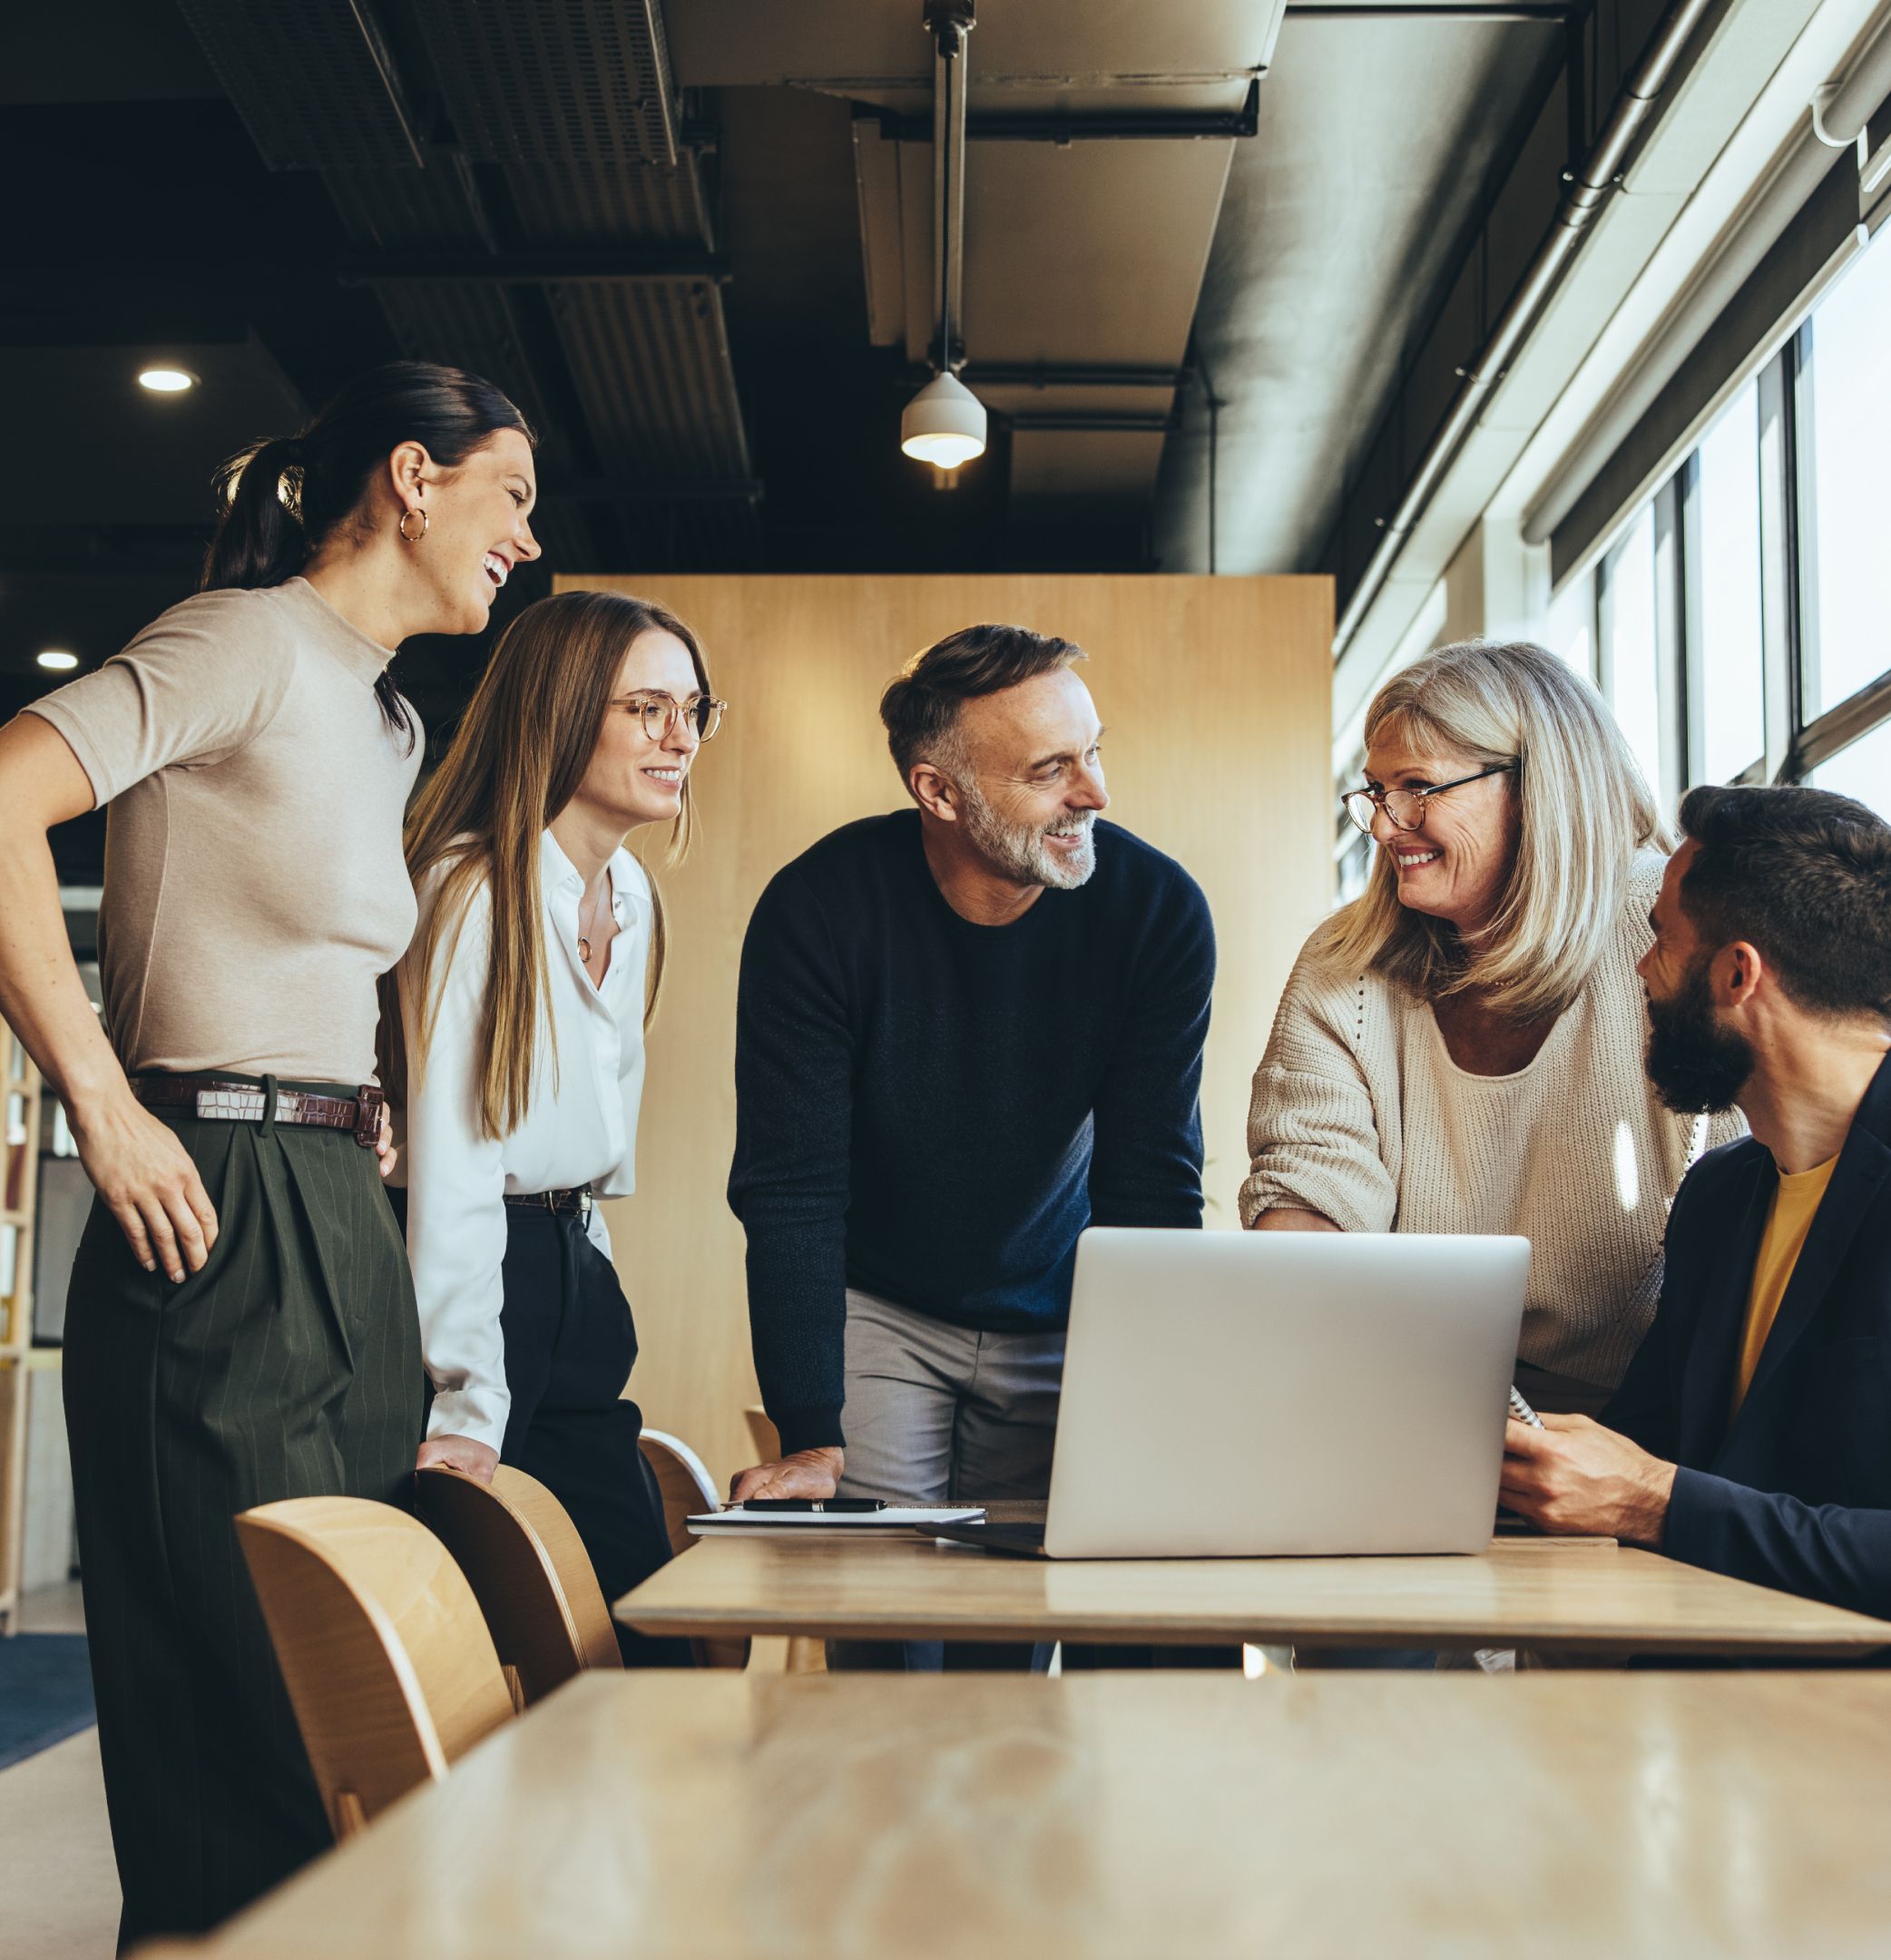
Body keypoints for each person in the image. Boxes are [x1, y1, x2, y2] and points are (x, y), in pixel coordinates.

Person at [0, 361, 540, 1942]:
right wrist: (97, 1100)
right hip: (212, 1195)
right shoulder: (241, 640)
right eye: (509, 493)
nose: (525, 535)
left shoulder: (379, 715)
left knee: (351, 1703)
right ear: (413, 478)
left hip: (328, 1205)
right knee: (242, 1720)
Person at [725, 622, 1214, 1669]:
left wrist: (1156, 1396)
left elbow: (1151, 1179)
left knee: (1013, 1643)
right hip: (881, 1310)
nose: (1095, 792)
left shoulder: (1156, 911)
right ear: (938, 793)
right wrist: (812, 1426)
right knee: (887, 1644)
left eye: (1093, 751)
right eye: (1051, 770)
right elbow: (791, 1189)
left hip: (1060, 1302)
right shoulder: (818, 911)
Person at [1242, 640, 1742, 1417]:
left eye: (1418, 788)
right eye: (1377, 791)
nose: (1385, 825)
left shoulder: (1670, 934)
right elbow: (1310, 1195)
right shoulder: (1347, 965)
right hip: (1415, 1403)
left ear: (1538, 788)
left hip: (1651, 1417)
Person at [387, 590, 721, 1664]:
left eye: (693, 710)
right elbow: (453, 1164)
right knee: (476, 1642)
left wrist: (593, 1268)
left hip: (571, 1266)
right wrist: (468, 1398)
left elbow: (594, 1140)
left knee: (638, 1630)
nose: (680, 738)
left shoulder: (627, 893)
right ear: (562, 712)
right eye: (646, 709)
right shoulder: (471, 887)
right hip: (481, 1280)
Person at [1501, 784, 1891, 1618]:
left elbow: (1653, 1486)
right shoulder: (1719, 1197)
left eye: (1661, 942)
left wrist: (1655, 1502)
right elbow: (1649, 1448)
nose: (1642, 972)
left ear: (1737, 973)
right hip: (1701, 1690)